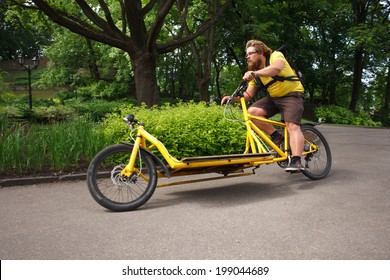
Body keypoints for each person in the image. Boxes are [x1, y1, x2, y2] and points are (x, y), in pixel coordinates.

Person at [221, 39, 305, 172]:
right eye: (246, 54)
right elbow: (248, 95)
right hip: (274, 98)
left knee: (292, 125)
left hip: (292, 95)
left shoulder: (275, 56)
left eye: (250, 53)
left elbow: (276, 69)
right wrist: (231, 98)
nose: (247, 56)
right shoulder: (255, 72)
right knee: (252, 112)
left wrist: (255, 73)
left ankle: (296, 160)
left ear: (261, 53)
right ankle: (277, 137)